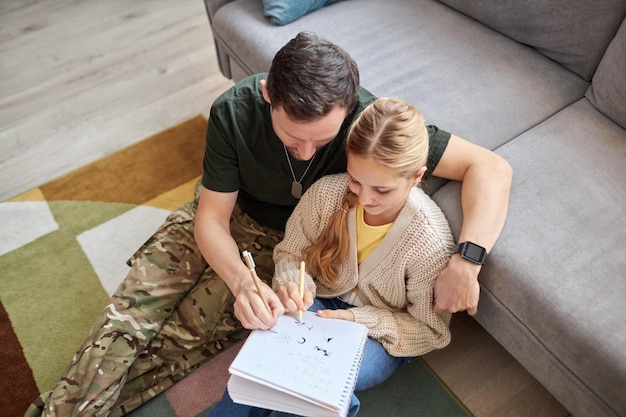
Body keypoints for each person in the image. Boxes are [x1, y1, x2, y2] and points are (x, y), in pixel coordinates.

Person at [25, 31, 511, 417]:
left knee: (184, 342)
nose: (306, 153)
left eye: (321, 142)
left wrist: (467, 262)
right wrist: (241, 283)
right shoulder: (234, 111)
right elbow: (211, 218)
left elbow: (490, 167)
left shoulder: (368, 125)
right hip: (222, 226)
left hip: (287, 249)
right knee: (130, 315)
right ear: (266, 95)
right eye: (292, 137)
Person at [206, 97, 456, 417]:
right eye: (355, 180)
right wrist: (294, 284)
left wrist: (358, 319)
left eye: (381, 190)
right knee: (261, 370)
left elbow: (429, 330)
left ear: (417, 177)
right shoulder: (327, 193)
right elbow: (291, 252)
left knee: (312, 384)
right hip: (318, 305)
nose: (365, 198)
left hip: (378, 333)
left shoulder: (430, 244)